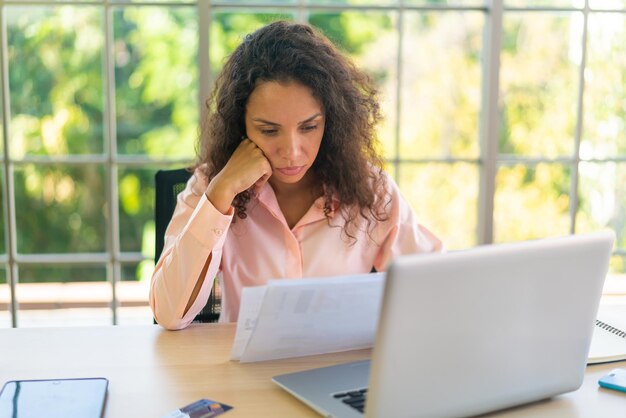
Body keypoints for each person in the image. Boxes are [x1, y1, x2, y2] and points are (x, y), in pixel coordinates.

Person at [150, 21, 442, 330]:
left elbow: (435, 290)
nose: (291, 152)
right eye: (269, 130)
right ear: (242, 125)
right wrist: (220, 194)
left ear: (331, 121)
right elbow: (169, 314)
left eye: (308, 127)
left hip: (337, 368)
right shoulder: (212, 186)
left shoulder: (370, 190)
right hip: (243, 373)